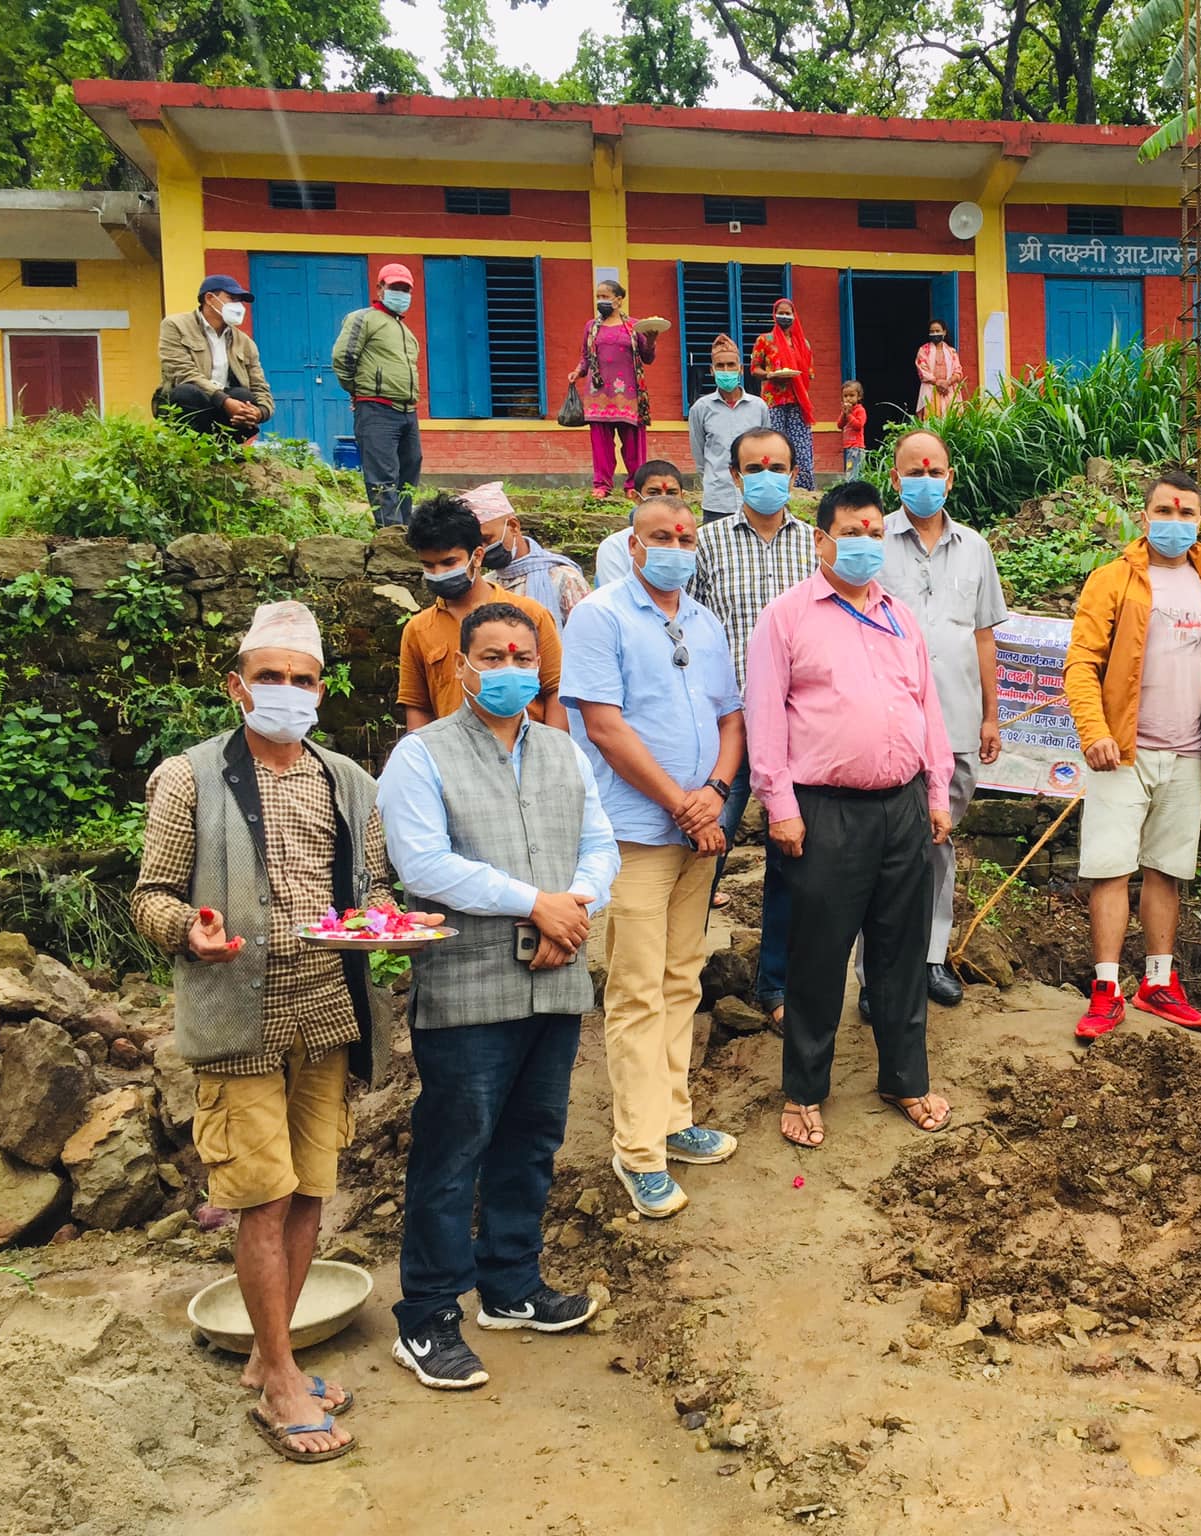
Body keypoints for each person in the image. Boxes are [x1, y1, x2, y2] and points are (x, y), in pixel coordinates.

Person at [129, 602, 410, 1463]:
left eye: (303, 679)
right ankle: (283, 1383)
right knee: (262, 1193)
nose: (287, 692)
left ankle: (265, 1354)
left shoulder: (349, 782)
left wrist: (389, 921)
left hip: (326, 1011)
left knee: (311, 1185)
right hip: (238, 1015)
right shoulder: (189, 779)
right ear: (238, 687)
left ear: (322, 689)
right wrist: (189, 931)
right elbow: (149, 897)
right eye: (271, 677)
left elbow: (374, 894)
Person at [378, 602, 621, 1390]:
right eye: (493, 655)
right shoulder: (421, 757)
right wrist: (534, 902)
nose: (509, 667)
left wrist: (573, 904)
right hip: (469, 986)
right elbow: (424, 866)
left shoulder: (562, 750)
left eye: (523, 654)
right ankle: (427, 1317)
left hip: (556, 975)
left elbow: (601, 844)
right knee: (454, 1150)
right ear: (462, 665)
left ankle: (511, 1286)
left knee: (533, 1141)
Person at [745, 481, 957, 1148]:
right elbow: (764, 713)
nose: (866, 543)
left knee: (901, 951)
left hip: (902, 808)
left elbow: (927, 706)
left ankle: (904, 1077)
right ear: (822, 540)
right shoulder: (786, 617)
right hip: (823, 811)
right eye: (852, 532)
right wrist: (779, 805)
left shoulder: (899, 616)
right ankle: (805, 1090)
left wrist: (936, 791)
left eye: (874, 530)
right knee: (817, 953)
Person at [561, 494, 744, 1217]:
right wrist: (680, 801)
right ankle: (636, 1150)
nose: (676, 546)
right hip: (637, 832)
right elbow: (604, 727)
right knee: (635, 990)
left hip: (701, 826)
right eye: (661, 537)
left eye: (686, 536)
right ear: (634, 548)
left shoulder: (704, 621)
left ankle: (672, 1119)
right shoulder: (599, 617)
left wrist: (716, 792)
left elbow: (731, 718)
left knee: (681, 979)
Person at [1064, 468, 1201, 1041]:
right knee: (1110, 867)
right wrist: (1094, 729)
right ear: (1144, 518)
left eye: (1187, 514)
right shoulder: (1113, 580)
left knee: (1167, 869)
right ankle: (1105, 988)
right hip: (1122, 752)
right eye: (1165, 513)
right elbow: (1082, 663)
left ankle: (1158, 982)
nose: (1176, 523)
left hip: (1190, 752)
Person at [857, 431, 1007, 1012]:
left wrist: (992, 716)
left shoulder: (975, 549)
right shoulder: (873, 543)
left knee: (938, 846)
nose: (925, 479)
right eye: (913, 470)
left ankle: (929, 960)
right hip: (889, 728)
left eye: (935, 469)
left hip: (959, 721)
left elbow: (983, 634)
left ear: (950, 478)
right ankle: (875, 976)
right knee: (883, 851)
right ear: (895, 479)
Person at [694, 426, 818, 1024]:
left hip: (800, 730)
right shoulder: (707, 543)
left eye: (778, 466)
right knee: (700, 849)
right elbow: (686, 632)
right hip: (726, 727)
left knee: (789, 860)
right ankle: (679, 977)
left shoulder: (817, 547)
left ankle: (777, 988)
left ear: (793, 474)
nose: (767, 475)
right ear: (736, 476)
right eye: (754, 467)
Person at [399, 493, 562, 730]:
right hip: (454, 759)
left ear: (477, 556)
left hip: (525, 754)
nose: (438, 572)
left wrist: (552, 754)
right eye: (428, 565)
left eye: (449, 562)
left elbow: (556, 690)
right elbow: (418, 707)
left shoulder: (530, 614)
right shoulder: (418, 629)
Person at [333, 264, 422, 528]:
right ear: (380, 288)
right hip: (377, 409)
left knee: (409, 471)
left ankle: (407, 529)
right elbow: (343, 358)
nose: (400, 293)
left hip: (407, 410)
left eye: (405, 289)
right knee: (382, 476)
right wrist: (358, 392)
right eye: (394, 287)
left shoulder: (405, 330)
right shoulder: (363, 318)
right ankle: (391, 534)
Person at [567, 278, 658, 499]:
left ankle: (633, 485)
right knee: (600, 443)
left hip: (628, 393)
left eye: (605, 296)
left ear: (619, 299)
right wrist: (577, 372)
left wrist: (652, 340)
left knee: (633, 444)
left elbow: (648, 358)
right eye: (598, 296)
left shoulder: (635, 326)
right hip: (598, 393)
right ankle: (602, 485)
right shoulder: (591, 327)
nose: (601, 301)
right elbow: (586, 357)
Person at [155, 275, 272, 441]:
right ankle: (193, 448)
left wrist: (259, 412)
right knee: (187, 392)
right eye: (232, 298)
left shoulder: (245, 342)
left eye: (240, 301)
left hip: (224, 412)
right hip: (189, 404)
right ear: (209, 298)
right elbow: (182, 372)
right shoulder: (175, 325)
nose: (238, 306)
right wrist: (224, 401)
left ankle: (224, 449)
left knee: (244, 396)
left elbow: (260, 385)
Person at [465, 481, 591, 631]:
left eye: (487, 539)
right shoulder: (484, 585)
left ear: (513, 526)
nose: (483, 549)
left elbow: (588, 638)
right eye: (477, 544)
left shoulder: (563, 579)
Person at [690, 336, 770, 523]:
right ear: (712, 370)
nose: (726, 371)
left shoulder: (758, 407)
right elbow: (700, 456)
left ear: (740, 369)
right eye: (720, 366)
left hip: (754, 498)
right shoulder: (701, 409)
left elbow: (767, 449)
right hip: (717, 500)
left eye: (731, 365)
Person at [750, 299, 817, 490]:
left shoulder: (803, 343)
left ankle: (803, 489)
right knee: (774, 444)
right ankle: (773, 486)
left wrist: (794, 377)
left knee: (801, 447)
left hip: (798, 400)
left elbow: (809, 372)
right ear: (774, 314)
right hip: (774, 400)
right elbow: (755, 368)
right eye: (781, 313)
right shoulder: (765, 340)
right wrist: (771, 375)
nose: (785, 317)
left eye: (788, 313)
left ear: (794, 316)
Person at [595, 461, 687, 588]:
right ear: (636, 497)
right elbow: (614, 600)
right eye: (653, 493)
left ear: (683, 497)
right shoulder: (615, 546)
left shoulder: (689, 544)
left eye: (672, 493)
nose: (663, 500)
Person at [915, 320, 964, 416]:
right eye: (932, 331)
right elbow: (923, 372)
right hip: (931, 391)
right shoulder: (923, 350)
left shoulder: (951, 352)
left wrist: (947, 383)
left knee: (951, 422)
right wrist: (938, 382)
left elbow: (958, 372)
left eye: (937, 331)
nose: (935, 334)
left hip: (949, 392)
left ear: (944, 332)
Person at [839, 381, 868, 479]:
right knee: (849, 470)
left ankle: (852, 492)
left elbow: (858, 425)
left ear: (858, 397)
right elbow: (839, 425)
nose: (848, 398)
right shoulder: (846, 412)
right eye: (845, 396)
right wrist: (844, 414)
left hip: (856, 447)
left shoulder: (860, 410)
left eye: (851, 395)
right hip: (848, 447)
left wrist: (849, 415)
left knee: (853, 474)